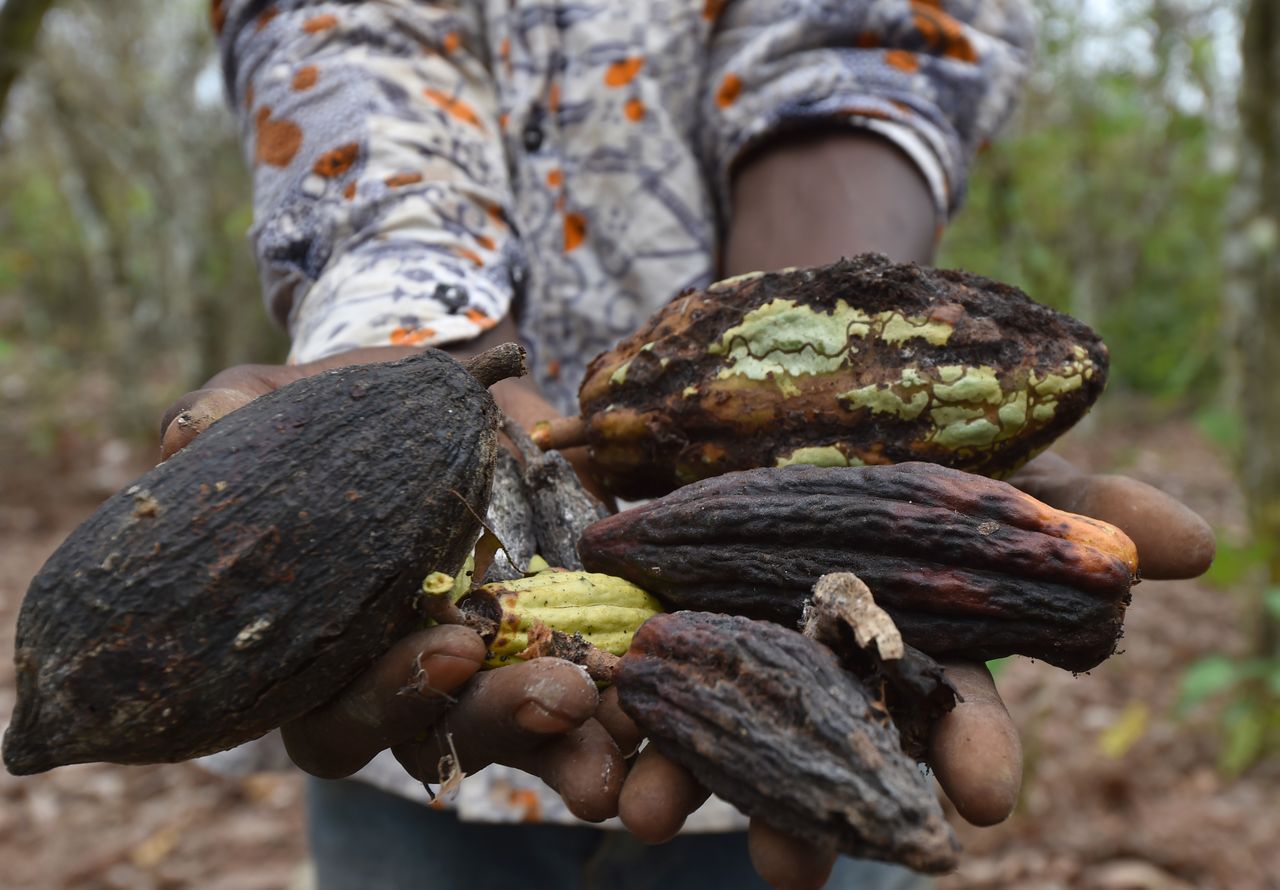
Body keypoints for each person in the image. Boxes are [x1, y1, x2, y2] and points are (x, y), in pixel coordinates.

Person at [165, 2, 1216, 888]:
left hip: (815, 705)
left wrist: (807, 374)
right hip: (421, 743)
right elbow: (343, 35)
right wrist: (408, 338)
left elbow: (860, 32)